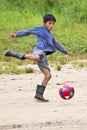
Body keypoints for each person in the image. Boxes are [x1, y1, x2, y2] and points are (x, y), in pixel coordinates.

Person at [5, 14, 72, 102]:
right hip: (39, 51)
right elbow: (28, 31)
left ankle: (39, 95)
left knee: (48, 75)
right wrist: (17, 34)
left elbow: (56, 44)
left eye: (53, 24)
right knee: (36, 57)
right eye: (49, 23)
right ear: (44, 23)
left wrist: (66, 52)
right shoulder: (41, 29)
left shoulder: (50, 35)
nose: (51, 25)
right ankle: (15, 54)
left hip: (43, 56)